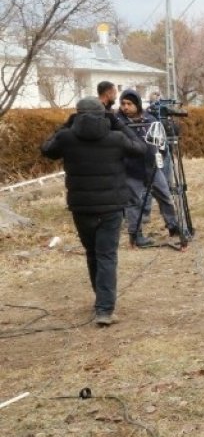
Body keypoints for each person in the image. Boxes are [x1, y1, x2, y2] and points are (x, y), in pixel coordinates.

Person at [40, 97, 148, 326]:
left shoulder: (67, 138)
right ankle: (104, 310)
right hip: (111, 206)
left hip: (81, 206)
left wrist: (67, 124)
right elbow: (141, 149)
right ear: (103, 115)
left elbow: (47, 150)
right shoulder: (116, 137)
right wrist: (119, 124)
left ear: (77, 115)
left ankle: (100, 300)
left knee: (92, 253)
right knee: (107, 255)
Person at [118, 89, 182, 248]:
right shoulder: (117, 122)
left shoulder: (150, 119)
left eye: (129, 104)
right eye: (123, 103)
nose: (126, 107)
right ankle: (135, 234)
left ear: (137, 104)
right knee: (134, 202)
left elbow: (160, 139)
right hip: (131, 169)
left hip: (152, 167)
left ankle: (173, 226)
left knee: (165, 196)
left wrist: (160, 152)